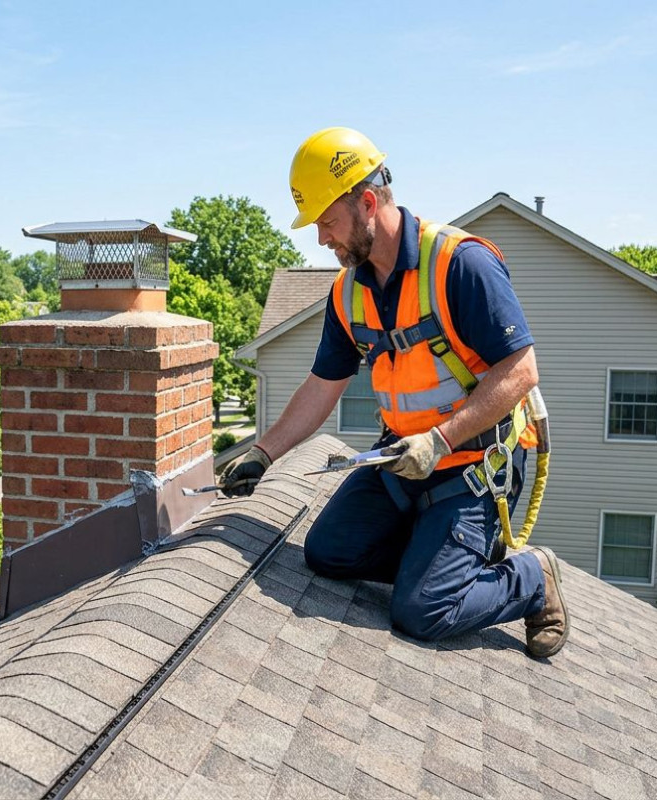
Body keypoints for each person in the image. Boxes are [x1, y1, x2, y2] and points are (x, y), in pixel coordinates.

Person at [220, 127, 568, 658]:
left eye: (327, 222)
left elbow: (521, 372)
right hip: (402, 459)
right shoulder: (348, 292)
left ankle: (531, 578)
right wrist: (263, 454)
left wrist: (442, 440)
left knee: (423, 610)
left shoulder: (460, 265)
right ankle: (437, 556)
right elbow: (322, 385)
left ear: (366, 203)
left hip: (474, 463)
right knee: (327, 553)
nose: (321, 239)